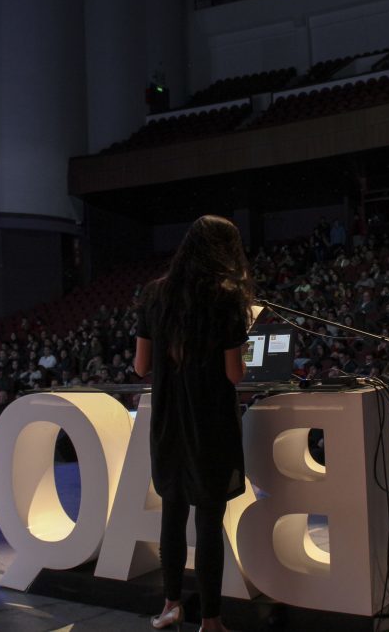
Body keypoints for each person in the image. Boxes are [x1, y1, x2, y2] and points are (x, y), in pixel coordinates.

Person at [134, 216, 252, 632]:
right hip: (211, 422)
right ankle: (212, 621)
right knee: (208, 522)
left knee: (172, 511)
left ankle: (170, 607)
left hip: (169, 420)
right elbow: (234, 375)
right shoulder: (227, 298)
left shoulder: (154, 294)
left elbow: (141, 365)